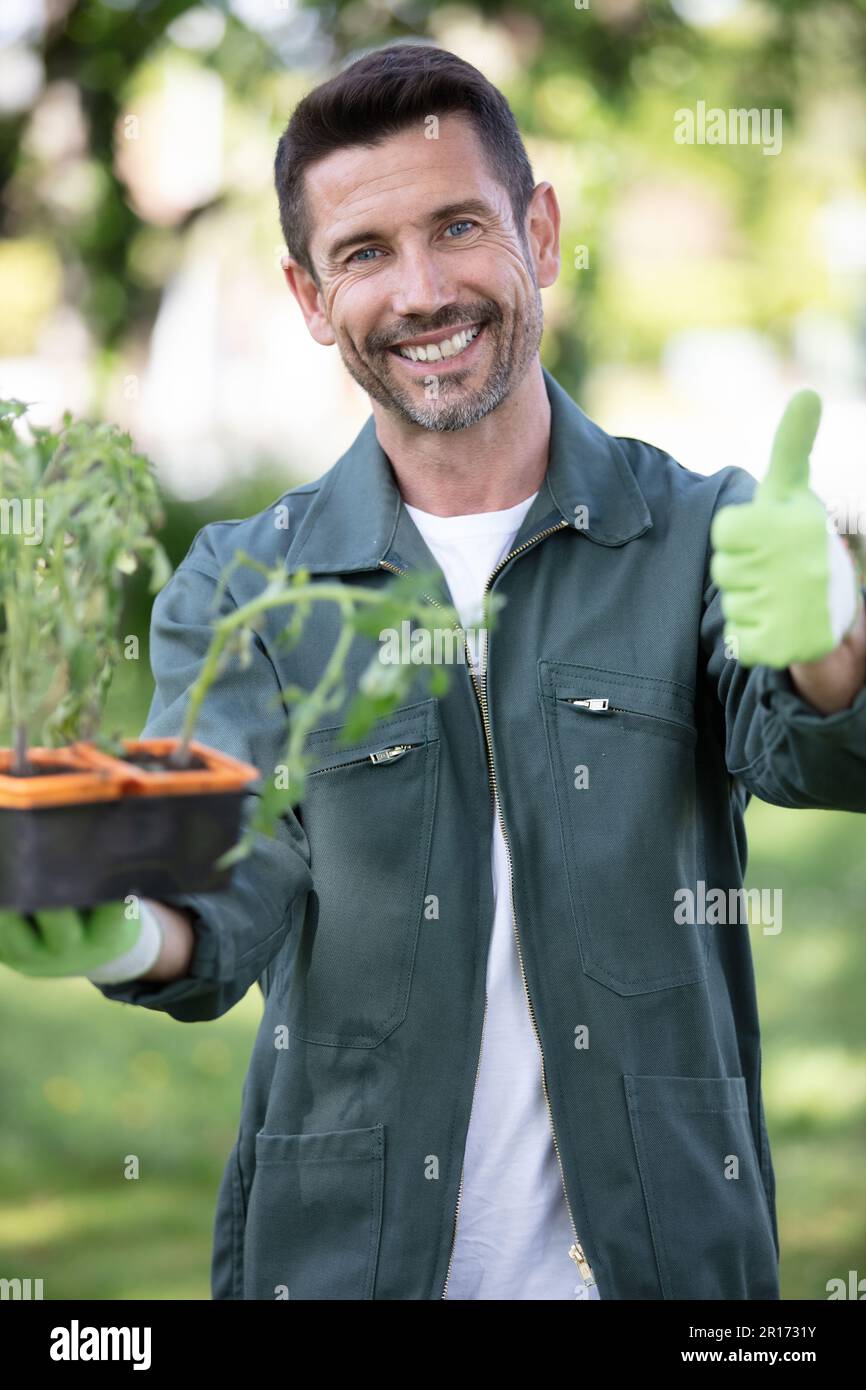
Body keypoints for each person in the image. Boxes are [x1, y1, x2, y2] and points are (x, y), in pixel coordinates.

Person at [2, 42, 865, 1302]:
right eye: (362, 254)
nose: (419, 291)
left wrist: (829, 634)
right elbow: (231, 882)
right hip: (343, 1265)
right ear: (308, 297)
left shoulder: (693, 535)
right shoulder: (249, 584)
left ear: (540, 230)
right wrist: (121, 927)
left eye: (457, 226)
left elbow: (812, 749)